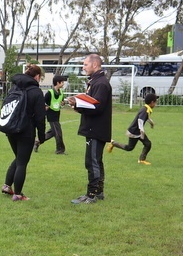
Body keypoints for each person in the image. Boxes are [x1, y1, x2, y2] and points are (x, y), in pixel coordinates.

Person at [67, 53, 112, 204]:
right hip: (95, 128)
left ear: (95, 65)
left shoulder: (100, 83)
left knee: (92, 162)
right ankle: (98, 192)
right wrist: (78, 105)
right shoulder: (96, 81)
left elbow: (96, 106)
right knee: (96, 161)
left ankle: (91, 194)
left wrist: (78, 105)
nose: (83, 67)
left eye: (85, 64)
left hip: (96, 129)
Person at [0, 64, 46, 201]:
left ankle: (7, 186)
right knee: (22, 162)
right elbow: (40, 118)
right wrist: (42, 136)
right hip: (26, 131)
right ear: (37, 77)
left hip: (11, 128)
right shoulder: (36, 92)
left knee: (19, 158)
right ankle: (18, 194)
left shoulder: (14, 87)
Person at [107, 92, 157, 164]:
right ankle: (113, 143)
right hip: (134, 132)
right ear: (152, 102)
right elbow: (140, 121)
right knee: (129, 148)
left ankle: (142, 159)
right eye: (155, 102)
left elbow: (146, 118)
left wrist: (151, 123)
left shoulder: (146, 109)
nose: (155, 104)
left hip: (138, 131)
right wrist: (142, 132)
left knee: (148, 144)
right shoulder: (145, 110)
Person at [35, 74, 67, 154]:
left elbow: (61, 102)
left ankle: (37, 142)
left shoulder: (61, 92)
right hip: (51, 115)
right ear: (58, 83)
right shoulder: (50, 93)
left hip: (57, 114)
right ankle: (60, 149)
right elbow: (43, 102)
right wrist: (45, 107)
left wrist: (63, 103)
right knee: (58, 133)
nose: (63, 84)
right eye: (62, 82)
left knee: (53, 132)